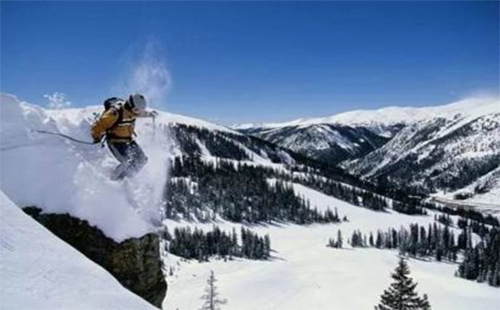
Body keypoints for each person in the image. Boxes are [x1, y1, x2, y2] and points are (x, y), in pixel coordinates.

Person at [90, 93, 157, 180]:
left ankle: (127, 179)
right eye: (136, 110)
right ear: (130, 105)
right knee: (127, 162)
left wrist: (150, 114)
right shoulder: (115, 113)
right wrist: (96, 137)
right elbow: (99, 125)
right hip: (115, 142)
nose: (137, 113)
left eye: (138, 110)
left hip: (128, 141)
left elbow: (141, 113)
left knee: (142, 160)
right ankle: (114, 181)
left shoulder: (134, 111)